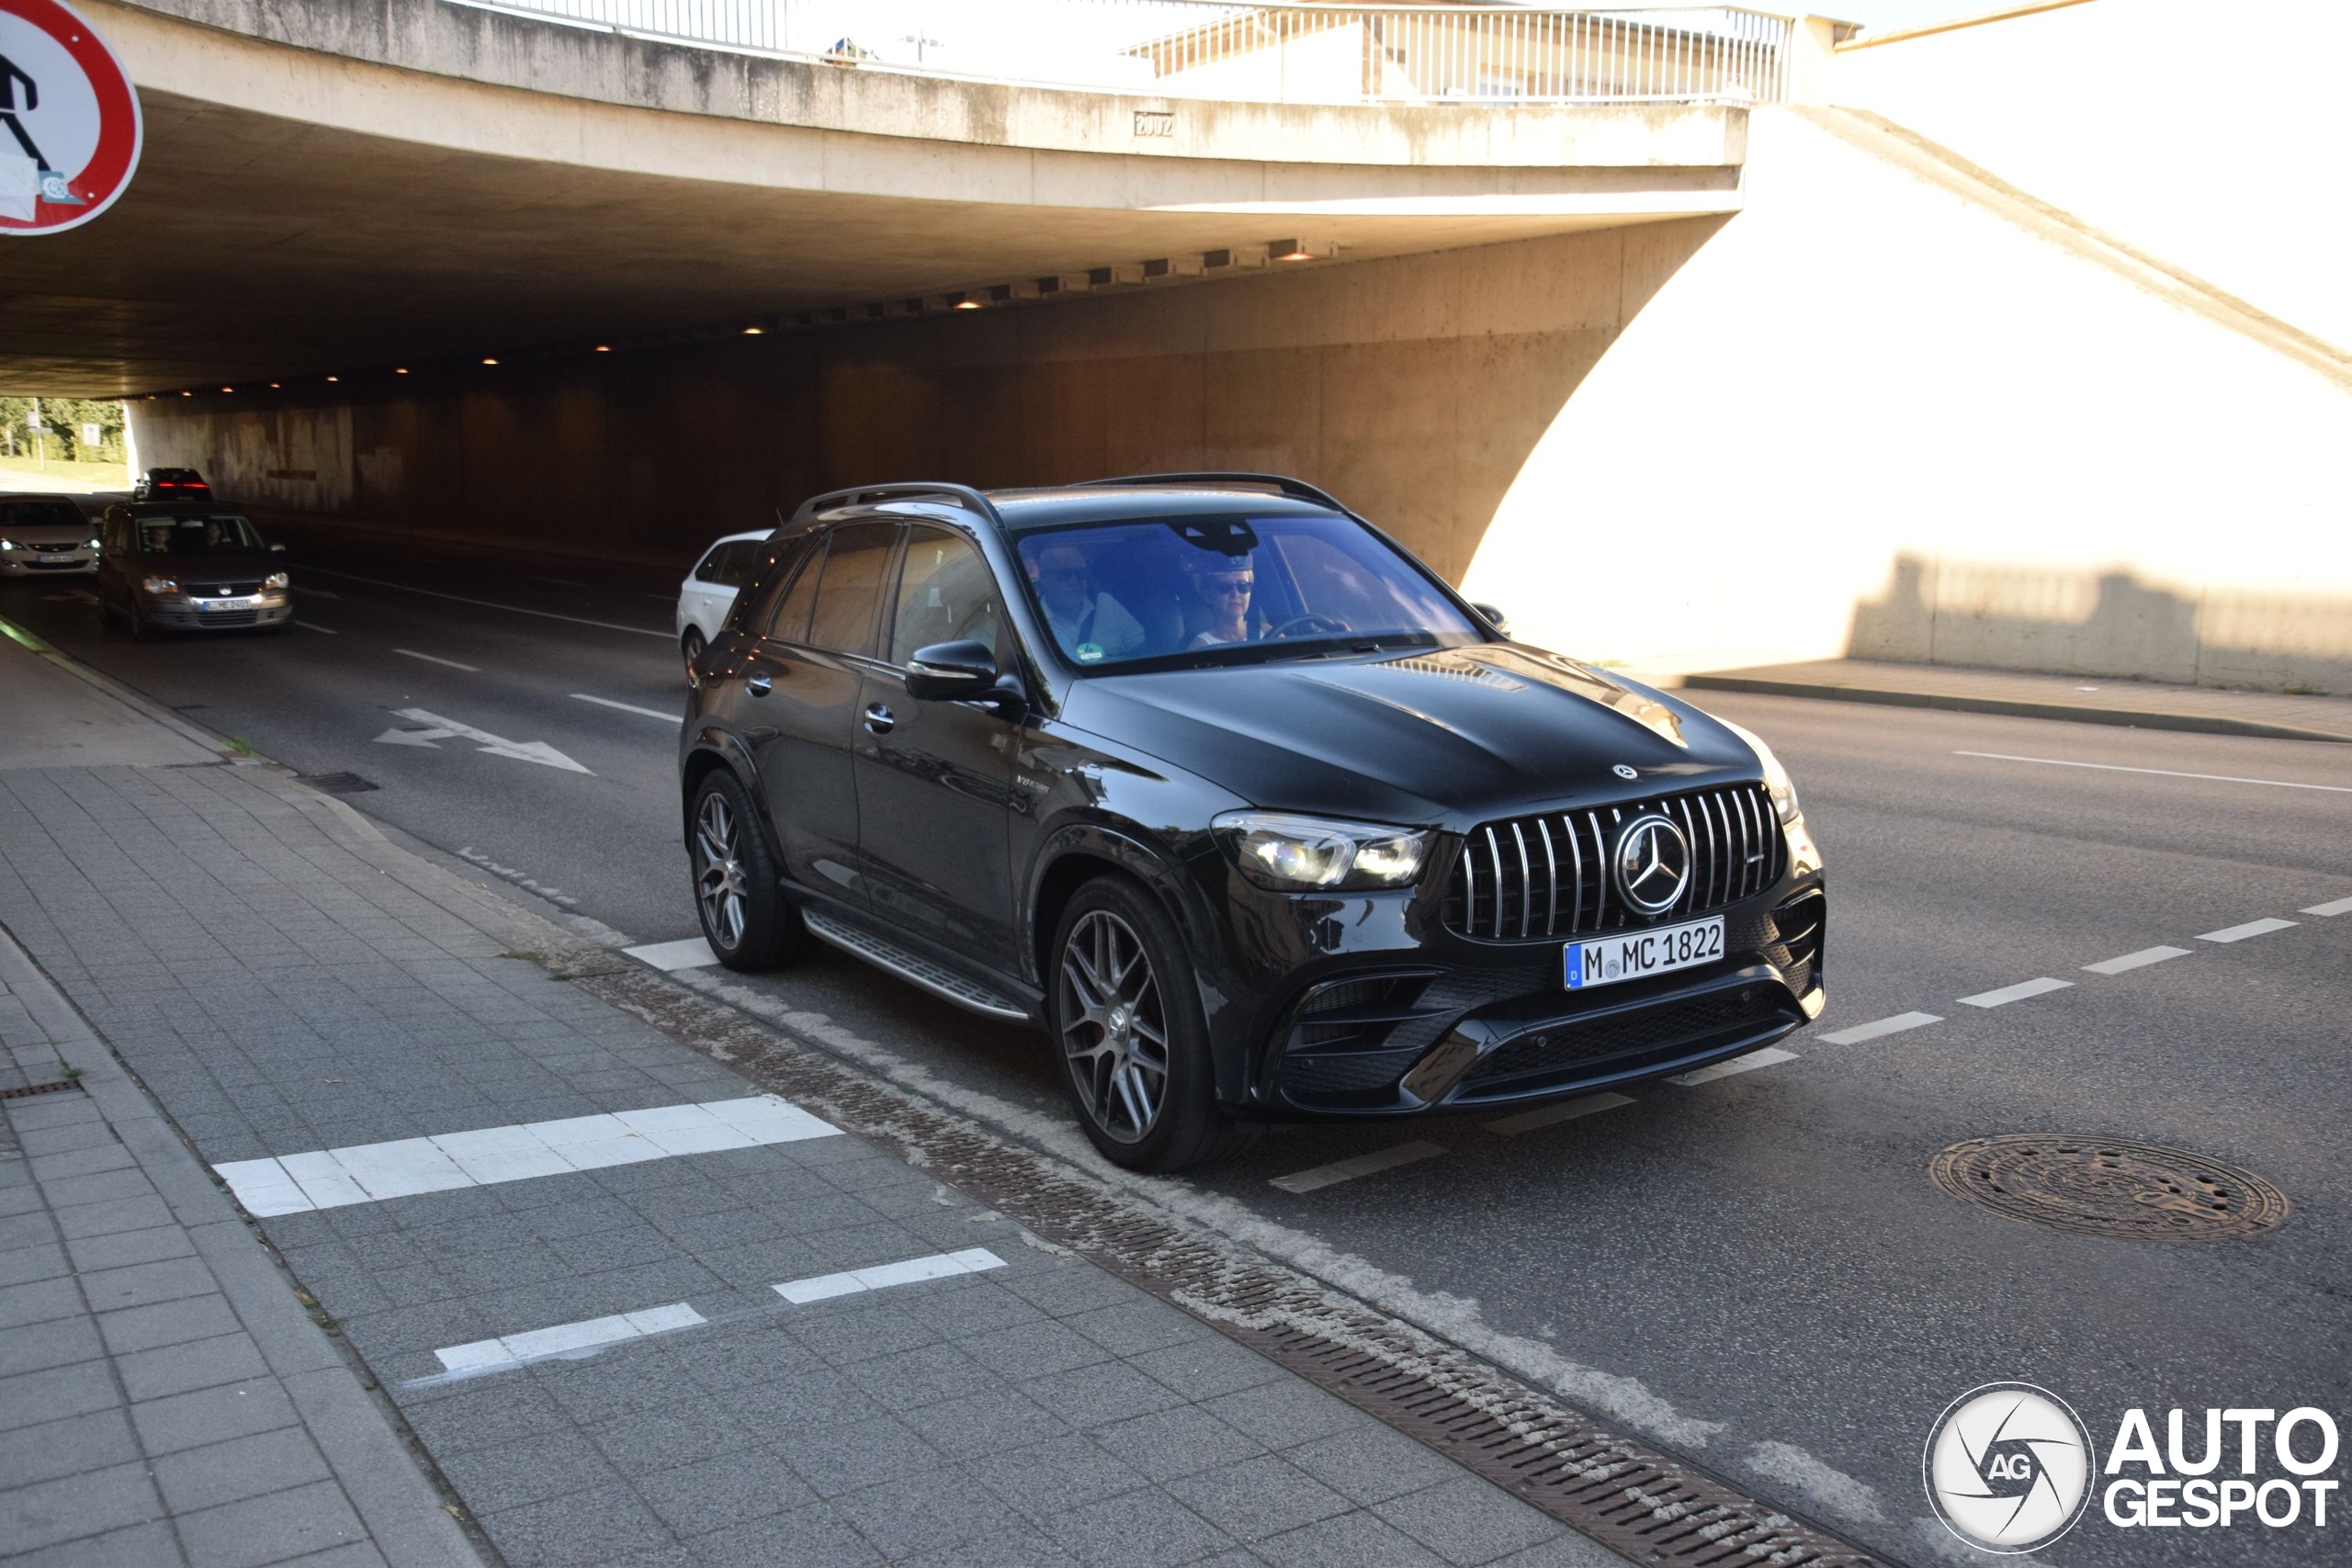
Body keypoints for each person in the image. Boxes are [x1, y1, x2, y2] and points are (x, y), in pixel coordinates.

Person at [1033, 543, 1146, 662]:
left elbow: (1142, 651)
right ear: (1044, 580)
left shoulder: (1105, 603)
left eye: (1081, 574)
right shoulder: (1031, 618)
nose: (1074, 581)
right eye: (1064, 575)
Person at [1185, 555, 1259, 648]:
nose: (1235, 594)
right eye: (1225, 586)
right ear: (1207, 595)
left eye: (1243, 586)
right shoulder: (1200, 646)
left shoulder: (1265, 632)